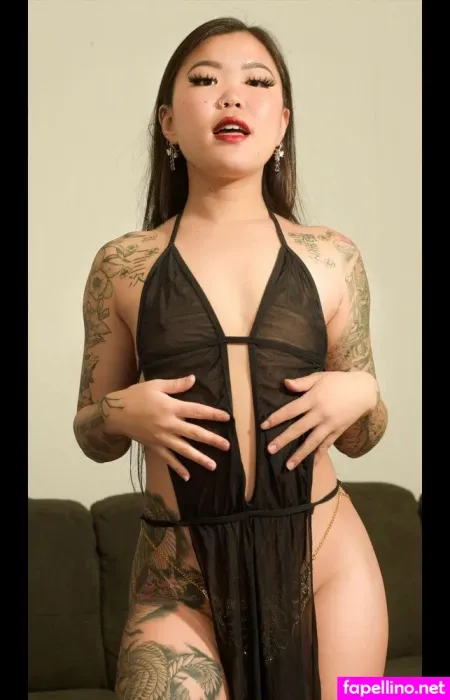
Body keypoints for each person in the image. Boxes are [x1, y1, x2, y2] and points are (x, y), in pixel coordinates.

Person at [73, 16, 389, 700]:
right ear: (168, 122)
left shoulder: (333, 258)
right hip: (179, 579)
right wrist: (121, 411)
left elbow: (363, 437)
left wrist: (363, 392)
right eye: (205, 79)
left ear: (282, 125)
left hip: (327, 564)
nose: (232, 95)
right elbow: (91, 434)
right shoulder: (123, 265)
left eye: (257, 82)